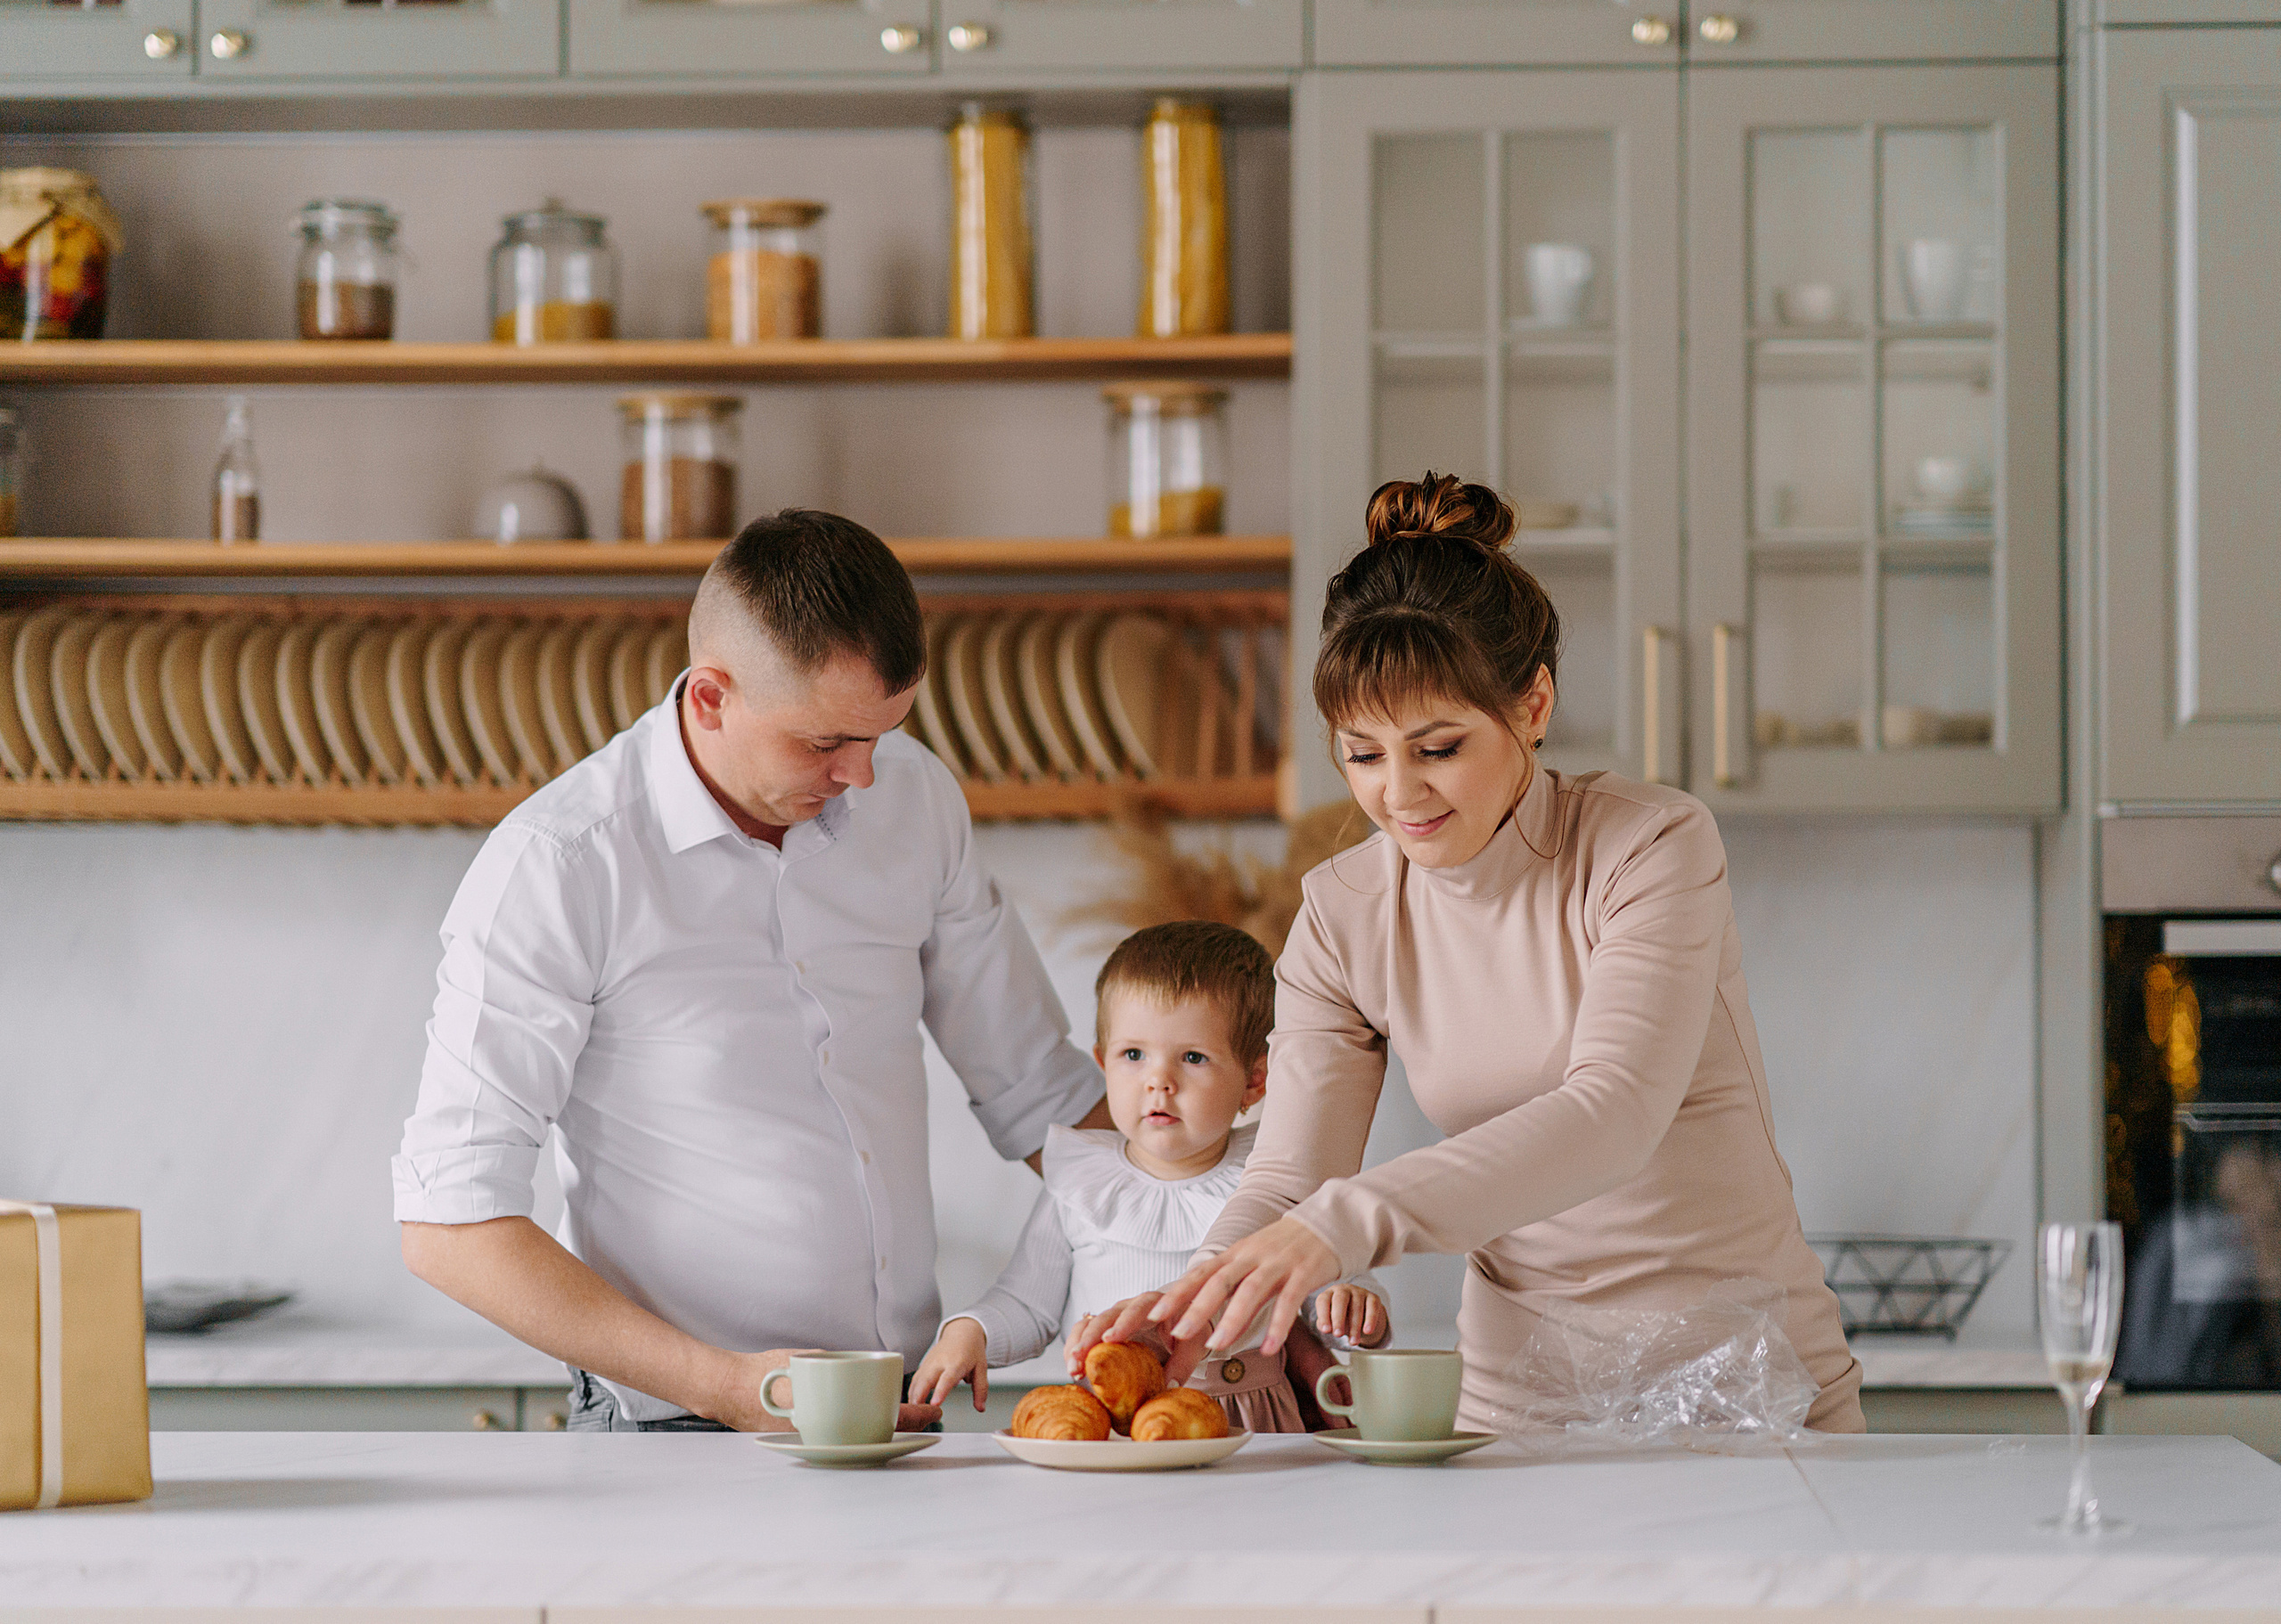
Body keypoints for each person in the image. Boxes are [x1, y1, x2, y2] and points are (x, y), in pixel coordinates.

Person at [1079, 473, 1865, 1433]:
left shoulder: (1649, 845)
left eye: (1437, 747)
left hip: (1744, 1378)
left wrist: (1343, 1224)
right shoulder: (1341, 911)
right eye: (1362, 755)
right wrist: (1195, 1301)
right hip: (1519, 1393)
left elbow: (1613, 1110)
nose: (1398, 793)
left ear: (1531, 705)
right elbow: (1290, 1180)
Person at [392, 510, 1109, 1432]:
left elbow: (1042, 1092)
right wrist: (729, 1386)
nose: (863, 776)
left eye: (881, 735)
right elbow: (450, 1223)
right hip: (670, 1428)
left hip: (896, 1416)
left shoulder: (917, 799)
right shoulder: (562, 862)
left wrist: (1207, 1271)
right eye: (822, 743)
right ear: (709, 698)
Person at [912, 921, 1390, 1432]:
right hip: (1117, 1423)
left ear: (1254, 1081)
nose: (1159, 1080)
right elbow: (1029, 1304)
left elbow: (1321, 1283)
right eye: (1133, 1055)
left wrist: (1352, 1302)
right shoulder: (1081, 1184)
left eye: (1193, 1057)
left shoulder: (1279, 1175)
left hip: (1251, 1421)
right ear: (1103, 1064)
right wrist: (971, 1331)